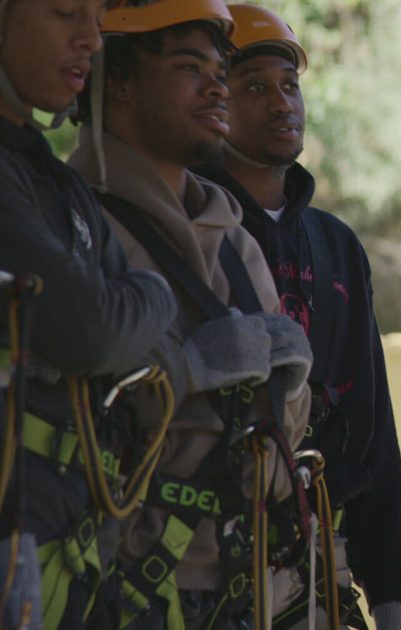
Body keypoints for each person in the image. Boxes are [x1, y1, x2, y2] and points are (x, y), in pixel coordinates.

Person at [68, 1, 312, 627]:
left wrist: (286, 393)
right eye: (188, 66)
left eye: (219, 68)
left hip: (249, 582)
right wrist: (184, 371)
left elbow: (282, 462)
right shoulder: (75, 229)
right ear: (117, 81)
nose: (217, 85)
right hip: (117, 583)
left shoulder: (236, 243)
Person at [191, 4, 401, 628]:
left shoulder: (337, 244)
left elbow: (373, 417)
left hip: (323, 561)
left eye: (289, 86)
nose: (281, 103)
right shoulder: (186, 229)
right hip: (205, 555)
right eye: (254, 87)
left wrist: (390, 589)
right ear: (215, 99)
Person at [0, 0, 179, 628]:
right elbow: (89, 330)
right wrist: (153, 299)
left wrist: (128, 314)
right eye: (65, 12)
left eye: (96, 20)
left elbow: (164, 365)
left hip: (68, 551)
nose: (92, 41)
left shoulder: (57, 184)